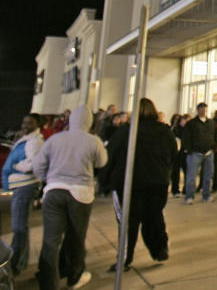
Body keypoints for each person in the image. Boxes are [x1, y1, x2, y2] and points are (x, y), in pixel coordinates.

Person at [34, 106, 108, 290]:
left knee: (50, 240)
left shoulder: (55, 139)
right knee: (76, 237)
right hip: (81, 193)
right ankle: (74, 276)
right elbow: (102, 162)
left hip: (54, 190)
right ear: (89, 122)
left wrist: (48, 179)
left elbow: (38, 165)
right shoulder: (93, 141)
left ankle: (48, 282)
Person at [101, 98, 178, 271]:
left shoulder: (126, 132)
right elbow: (174, 154)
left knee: (128, 222)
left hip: (130, 184)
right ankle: (159, 249)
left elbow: (110, 156)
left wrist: (105, 182)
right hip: (157, 183)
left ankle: (125, 258)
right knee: (154, 216)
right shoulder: (164, 131)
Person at [1, 113, 44, 277]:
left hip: (24, 187)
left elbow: (33, 164)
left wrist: (16, 166)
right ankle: (18, 261)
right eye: (24, 122)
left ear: (37, 125)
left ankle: (17, 264)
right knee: (19, 227)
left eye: (30, 123)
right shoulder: (28, 139)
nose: (25, 125)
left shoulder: (35, 142)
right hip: (20, 187)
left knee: (19, 227)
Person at [182, 102, 217, 204]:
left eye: (205, 109)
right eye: (201, 109)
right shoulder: (191, 123)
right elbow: (185, 137)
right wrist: (189, 150)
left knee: (208, 176)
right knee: (191, 176)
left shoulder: (211, 123)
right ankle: (189, 196)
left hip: (209, 153)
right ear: (198, 110)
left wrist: (214, 147)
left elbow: (216, 135)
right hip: (195, 153)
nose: (203, 111)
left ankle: (206, 195)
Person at [170, 114, 188, 196]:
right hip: (177, 153)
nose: (185, 122)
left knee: (187, 171)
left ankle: (185, 189)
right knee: (175, 172)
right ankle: (175, 190)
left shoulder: (188, 129)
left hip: (186, 152)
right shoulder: (175, 129)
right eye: (184, 120)